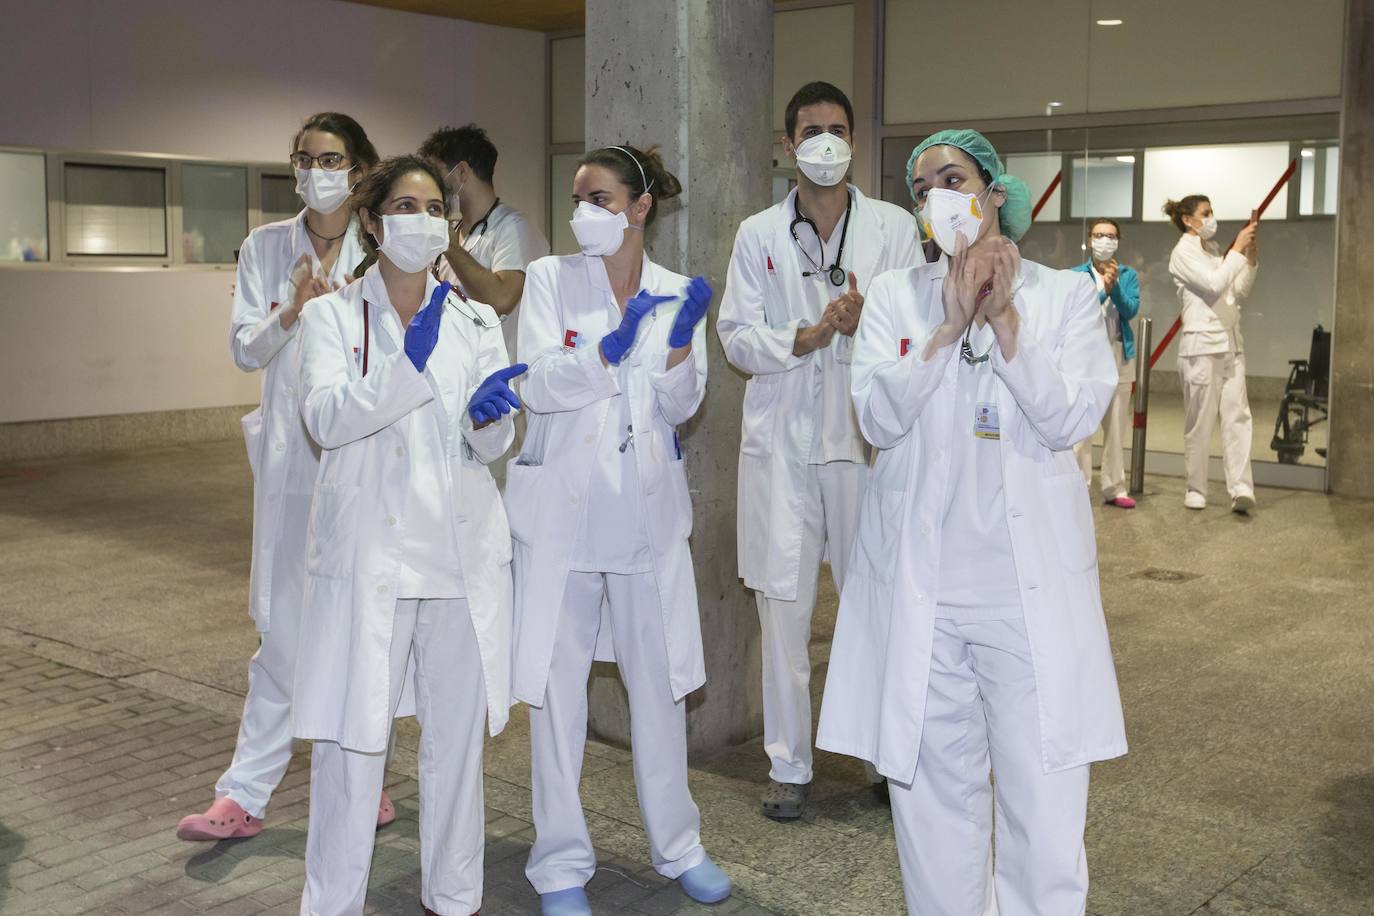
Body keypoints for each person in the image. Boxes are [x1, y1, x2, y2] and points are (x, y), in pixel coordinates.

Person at [816, 129, 1128, 916]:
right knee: (933, 811)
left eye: (951, 179)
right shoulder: (897, 297)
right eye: (922, 189)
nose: (936, 200)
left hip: (1026, 602)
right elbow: (880, 419)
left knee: (1043, 812)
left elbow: (1068, 418)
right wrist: (950, 326)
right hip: (925, 600)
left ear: (994, 191)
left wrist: (1009, 322)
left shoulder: (1063, 297)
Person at [293, 155, 522, 915]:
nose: (421, 222)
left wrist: (494, 422)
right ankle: (332, 903)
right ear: (370, 220)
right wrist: (404, 362)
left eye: (434, 210)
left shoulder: (477, 319)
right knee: (355, 746)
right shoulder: (332, 314)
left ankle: (454, 897)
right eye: (404, 206)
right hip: (372, 561)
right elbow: (324, 420)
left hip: (456, 561)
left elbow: (492, 443)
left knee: (456, 747)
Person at [506, 144, 727, 916]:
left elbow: (677, 407)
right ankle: (560, 864)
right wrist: (602, 354)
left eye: (600, 198)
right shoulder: (549, 279)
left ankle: (680, 847)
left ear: (639, 208)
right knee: (557, 697)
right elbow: (534, 382)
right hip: (565, 522)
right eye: (577, 197)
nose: (583, 213)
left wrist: (673, 347)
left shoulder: (673, 292)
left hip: (642, 520)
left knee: (660, 696)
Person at [177, 112, 386, 843]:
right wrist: (293, 313)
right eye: (303, 158)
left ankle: (366, 781)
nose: (314, 171)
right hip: (294, 469)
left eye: (329, 158)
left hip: (365, 464)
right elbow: (243, 350)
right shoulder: (268, 247)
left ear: (360, 168)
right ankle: (242, 795)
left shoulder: (385, 247)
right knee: (284, 634)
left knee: (364, 631)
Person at [717, 80, 919, 820]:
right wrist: (805, 335)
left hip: (863, 443)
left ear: (854, 142)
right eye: (811, 131)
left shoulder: (896, 228)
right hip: (785, 448)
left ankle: (882, 759)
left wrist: (866, 321)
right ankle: (789, 768)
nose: (825, 144)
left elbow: (914, 332)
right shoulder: (757, 234)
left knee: (875, 609)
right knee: (783, 613)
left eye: (837, 130)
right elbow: (735, 336)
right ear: (787, 145)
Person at [1164, 195, 1259, 513]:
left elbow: (1239, 288)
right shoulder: (1182, 254)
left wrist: (1250, 257)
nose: (1211, 218)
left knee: (1238, 416)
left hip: (1232, 344)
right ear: (1188, 220)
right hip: (1201, 346)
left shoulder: (1217, 252)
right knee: (1200, 421)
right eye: (1205, 213)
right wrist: (1236, 251)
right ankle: (1196, 488)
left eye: (1212, 212)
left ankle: (1241, 488)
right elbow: (1214, 284)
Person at [421, 124, 550, 345]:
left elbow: (500, 300)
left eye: (436, 174)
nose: (431, 185)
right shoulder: (453, 231)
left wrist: (451, 247)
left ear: (461, 172)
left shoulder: (514, 227)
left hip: (502, 371)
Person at [1071, 218, 1141, 509]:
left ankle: (1114, 486)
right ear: (1090, 239)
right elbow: (1077, 310)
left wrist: (1115, 288)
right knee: (1081, 427)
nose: (1105, 240)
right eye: (1099, 235)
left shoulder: (1127, 274)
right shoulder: (1075, 275)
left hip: (1117, 354)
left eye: (1111, 236)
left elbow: (1131, 309)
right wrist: (1103, 290)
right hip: (1084, 358)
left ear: (1118, 241)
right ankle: (1078, 485)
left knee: (1115, 425)